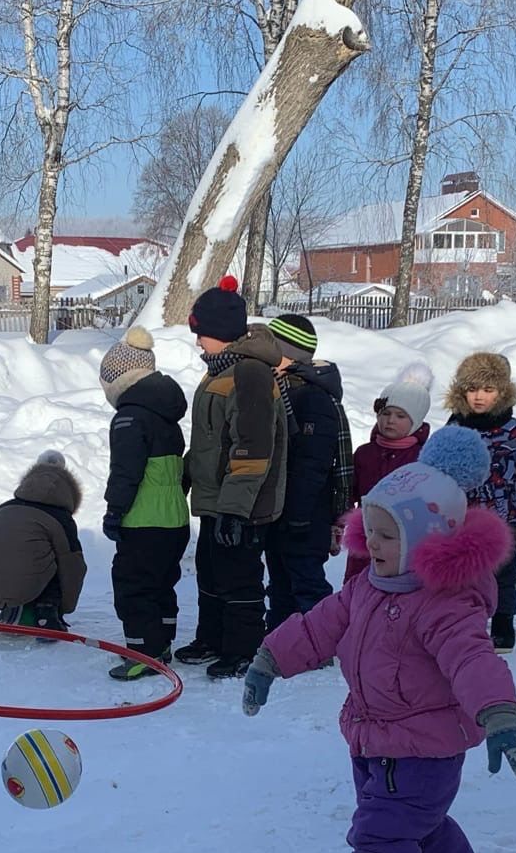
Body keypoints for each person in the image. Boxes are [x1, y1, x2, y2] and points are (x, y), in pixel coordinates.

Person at [242, 427, 516, 853]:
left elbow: (472, 661)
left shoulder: (445, 605)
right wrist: (270, 659)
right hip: (374, 735)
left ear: (427, 541)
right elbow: (317, 627)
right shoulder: (368, 587)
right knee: (420, 825)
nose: (371, 545)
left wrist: (500, 715)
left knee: (382, 835)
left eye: (386, 535)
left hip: (423, 747)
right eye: (370, 530)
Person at [179, 275, 289, 679]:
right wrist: (186, 473)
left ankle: (243, 647)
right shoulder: (219, 371)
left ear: (220, 333)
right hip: (216, 499)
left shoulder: (249, 376)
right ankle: (212, 637)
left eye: (201, 334)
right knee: (210, 571)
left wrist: (235, 509)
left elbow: (252, 448)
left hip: (243, 503)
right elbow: (211, 440)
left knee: (238, 576)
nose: (197, 342)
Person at [99, 326, 190, 680]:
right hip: (173, 520)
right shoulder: (168, 415)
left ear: (119, 380)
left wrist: (114, 511)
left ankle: (142, 652)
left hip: (142, 522)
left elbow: (126, 472)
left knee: (133, 587)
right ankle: (162, 642)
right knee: (162, 583)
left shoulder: (129, 418)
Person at [444, 352, 516, 652]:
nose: (479, 397)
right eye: (472, 389)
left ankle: (503, 623)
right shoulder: (455, 428)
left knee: (502, 570)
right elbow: (438, 470)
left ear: (502, 392)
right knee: (464, 570)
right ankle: (466, 620)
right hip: (463, 515)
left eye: (488, 390)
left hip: (504, 517)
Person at [263, 313, 352, 629]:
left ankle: (321, 638)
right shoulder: (282, 389)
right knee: (280, 579)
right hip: (282, 509)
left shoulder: (312, 396)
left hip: (306, 512)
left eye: (271, 349)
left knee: (306, 580)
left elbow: (312, 464)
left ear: (288, 355)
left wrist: (299, 513)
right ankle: (281, 635)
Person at [0, 450, 88, 634]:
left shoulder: (6, 507)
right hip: (30, 579)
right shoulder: (61, 518)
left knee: (4, 556)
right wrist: (65, 607)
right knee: (51, 562)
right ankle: (46, 614)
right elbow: (72, 565)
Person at [341, 362, 434, 584]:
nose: (390, 420)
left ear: (416, 421)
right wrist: (337, 523)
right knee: (358, 584)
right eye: (385, 413)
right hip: (365, 535)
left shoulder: (423, 458)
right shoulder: (364, 453)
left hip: (405, 538)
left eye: (400, 416)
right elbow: (350, 492)